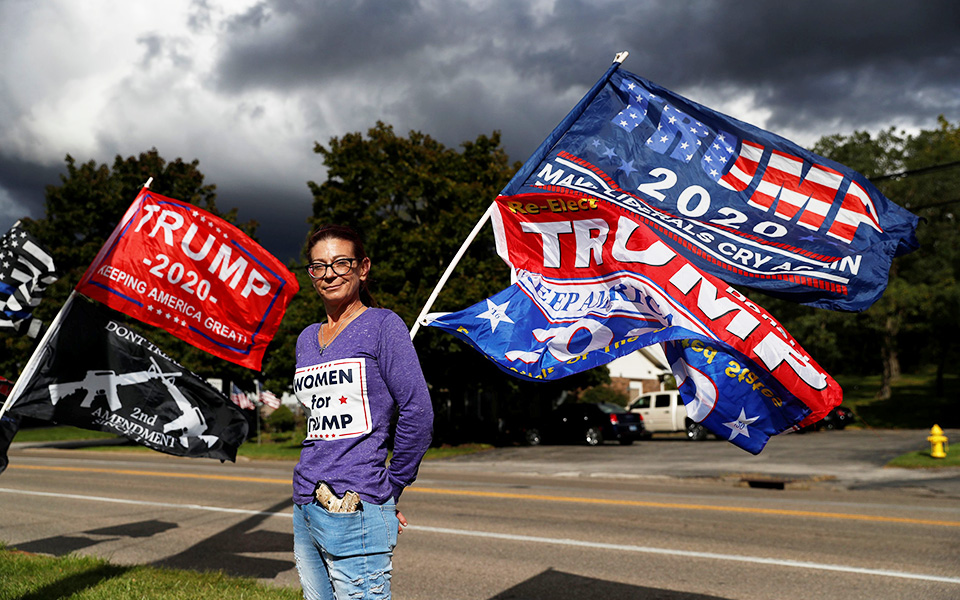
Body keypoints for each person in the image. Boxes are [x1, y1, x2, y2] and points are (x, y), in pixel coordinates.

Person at [292, 224, 434, 600]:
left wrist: (390, 489)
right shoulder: (306, 338)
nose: (330, 273)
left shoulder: (383, 326)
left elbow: (417, 411)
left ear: (363, 267)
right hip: (305, 501)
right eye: (318, 266)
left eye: (341, 262)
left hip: (355, 505)